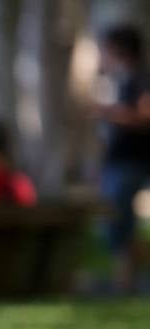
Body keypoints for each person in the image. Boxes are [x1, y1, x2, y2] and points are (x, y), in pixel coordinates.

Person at [95, 24, 150, 293]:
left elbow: (144, 116)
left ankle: (126, 281)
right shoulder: (122, 80)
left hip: (131, 162)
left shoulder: (140, 78)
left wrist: (108, 112)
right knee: (117, 222)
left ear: (120, 50)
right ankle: (125, 281)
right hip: (120, 162)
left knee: (118, 220)